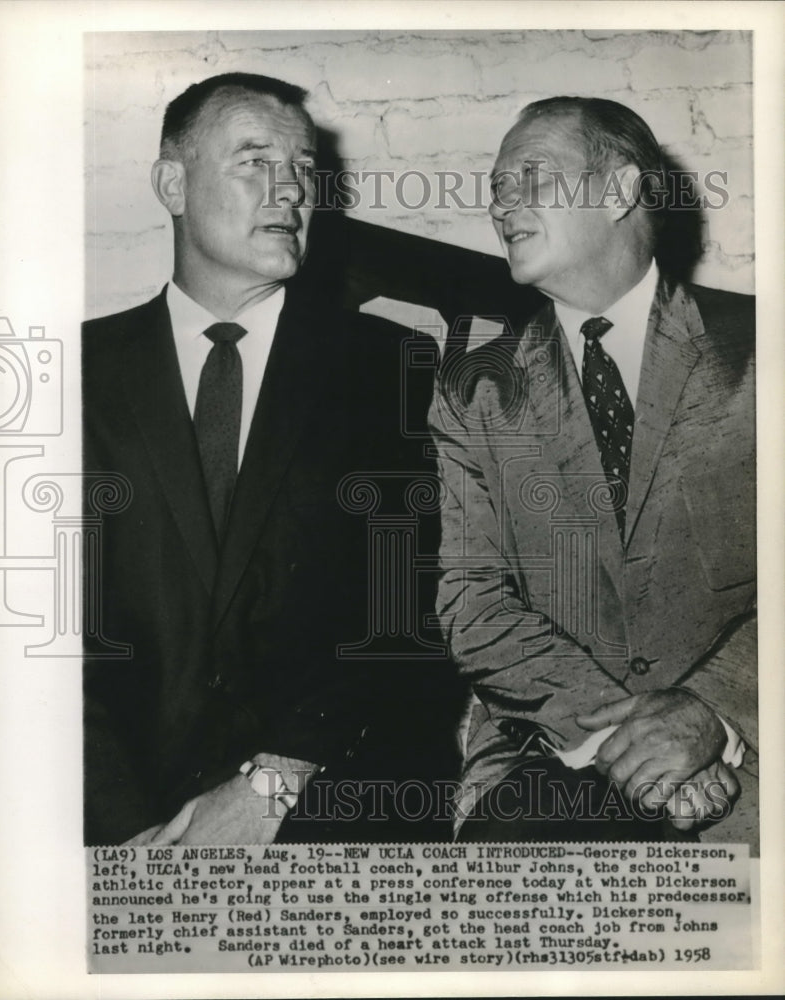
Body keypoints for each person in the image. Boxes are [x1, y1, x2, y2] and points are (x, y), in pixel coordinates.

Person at [83, 72, 458, 845]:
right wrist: (127, 837)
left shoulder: (392, 367)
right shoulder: (79, 372)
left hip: (330, 798)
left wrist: (275, 783)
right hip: (119, 818)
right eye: (254, 161)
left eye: (302, 168)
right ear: (172, 184)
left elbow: (409, 617)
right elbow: (44, 638)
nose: (289, 190)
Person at [430, 97, 757, 847]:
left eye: (528, 179)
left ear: (616, 192)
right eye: (495, 189)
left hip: (749, 758)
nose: (500, 204)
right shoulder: (474, 388)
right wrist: (632, 747)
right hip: (548, 756)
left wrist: (711, 714)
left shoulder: (762, 351)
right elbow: (472, 604)